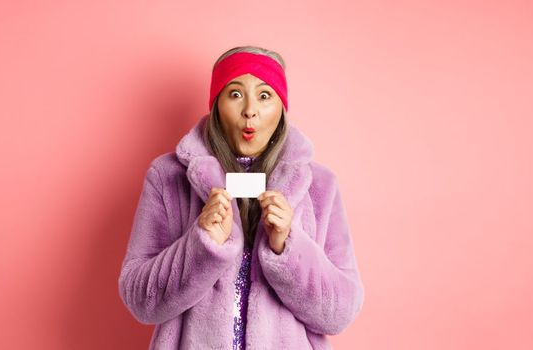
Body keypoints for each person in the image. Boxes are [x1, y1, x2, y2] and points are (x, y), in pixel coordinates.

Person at [118, 45, 364, 349]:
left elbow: (340, 313)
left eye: (264, 95)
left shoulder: (320, 186)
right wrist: (201, 244)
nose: (250, 110)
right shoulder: (167, 177)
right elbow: (139, 299)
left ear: (281, 108)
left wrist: (287, 245)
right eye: (235, 94)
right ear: (216, 104)